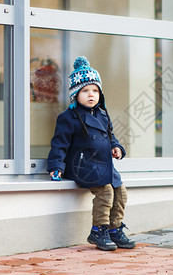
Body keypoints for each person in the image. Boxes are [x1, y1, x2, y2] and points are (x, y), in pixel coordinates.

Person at [47, 56, 136, 251]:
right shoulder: (68, 117)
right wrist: (56, 167)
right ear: (75, 94)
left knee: (120, 192)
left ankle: (114, 229)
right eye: (85, 91)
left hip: (104, 164)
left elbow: (111, 136)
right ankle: (98, 230)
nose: (91, 95)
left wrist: (117, 147)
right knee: (105, 193)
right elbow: (59, 144)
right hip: (83, 165)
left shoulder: (103, 114)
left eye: (95, 90)